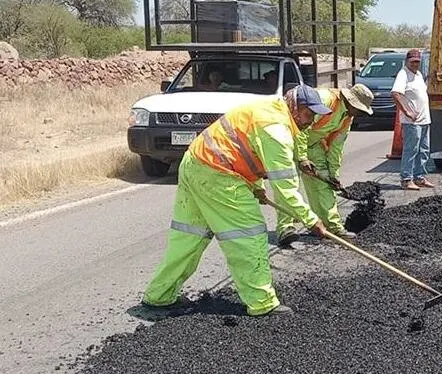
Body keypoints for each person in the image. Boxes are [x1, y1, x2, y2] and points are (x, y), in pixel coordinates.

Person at [140, 86, 332, 317]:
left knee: (190, 236)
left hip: (195, 163)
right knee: (249, 235)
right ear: (296, 108)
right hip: (217, 174)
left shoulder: (270, 111)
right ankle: (262, 302)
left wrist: (255, 187)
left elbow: (247, 151)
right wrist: (312, 221)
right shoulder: (276, 129)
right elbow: (286, 187)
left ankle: (159, 295)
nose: (310, 121)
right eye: (308, 114)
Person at [274, 83, 375, 246]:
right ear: (352, 102)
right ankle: (285, 228)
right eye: (361, 110)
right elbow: (302, 127)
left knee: (324, 185)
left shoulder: (347, 118)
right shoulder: (325, 100)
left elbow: (336, 146)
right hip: (289, 140)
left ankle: (332, 227)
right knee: (288, 184)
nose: (361, 114)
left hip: (313, 146)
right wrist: (302, 158)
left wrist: (333, 175)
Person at [391, 48, 434, 190]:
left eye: (417, 62)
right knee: (411, 150)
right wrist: (407, 112)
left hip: (424, 120)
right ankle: (406, 179)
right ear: (407, 61)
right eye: (413, 62)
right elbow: (396, 93)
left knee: (424, 150)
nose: (415, 64)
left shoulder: (419, 75)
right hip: (412, 122)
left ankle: (419, 177)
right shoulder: (403, 74)